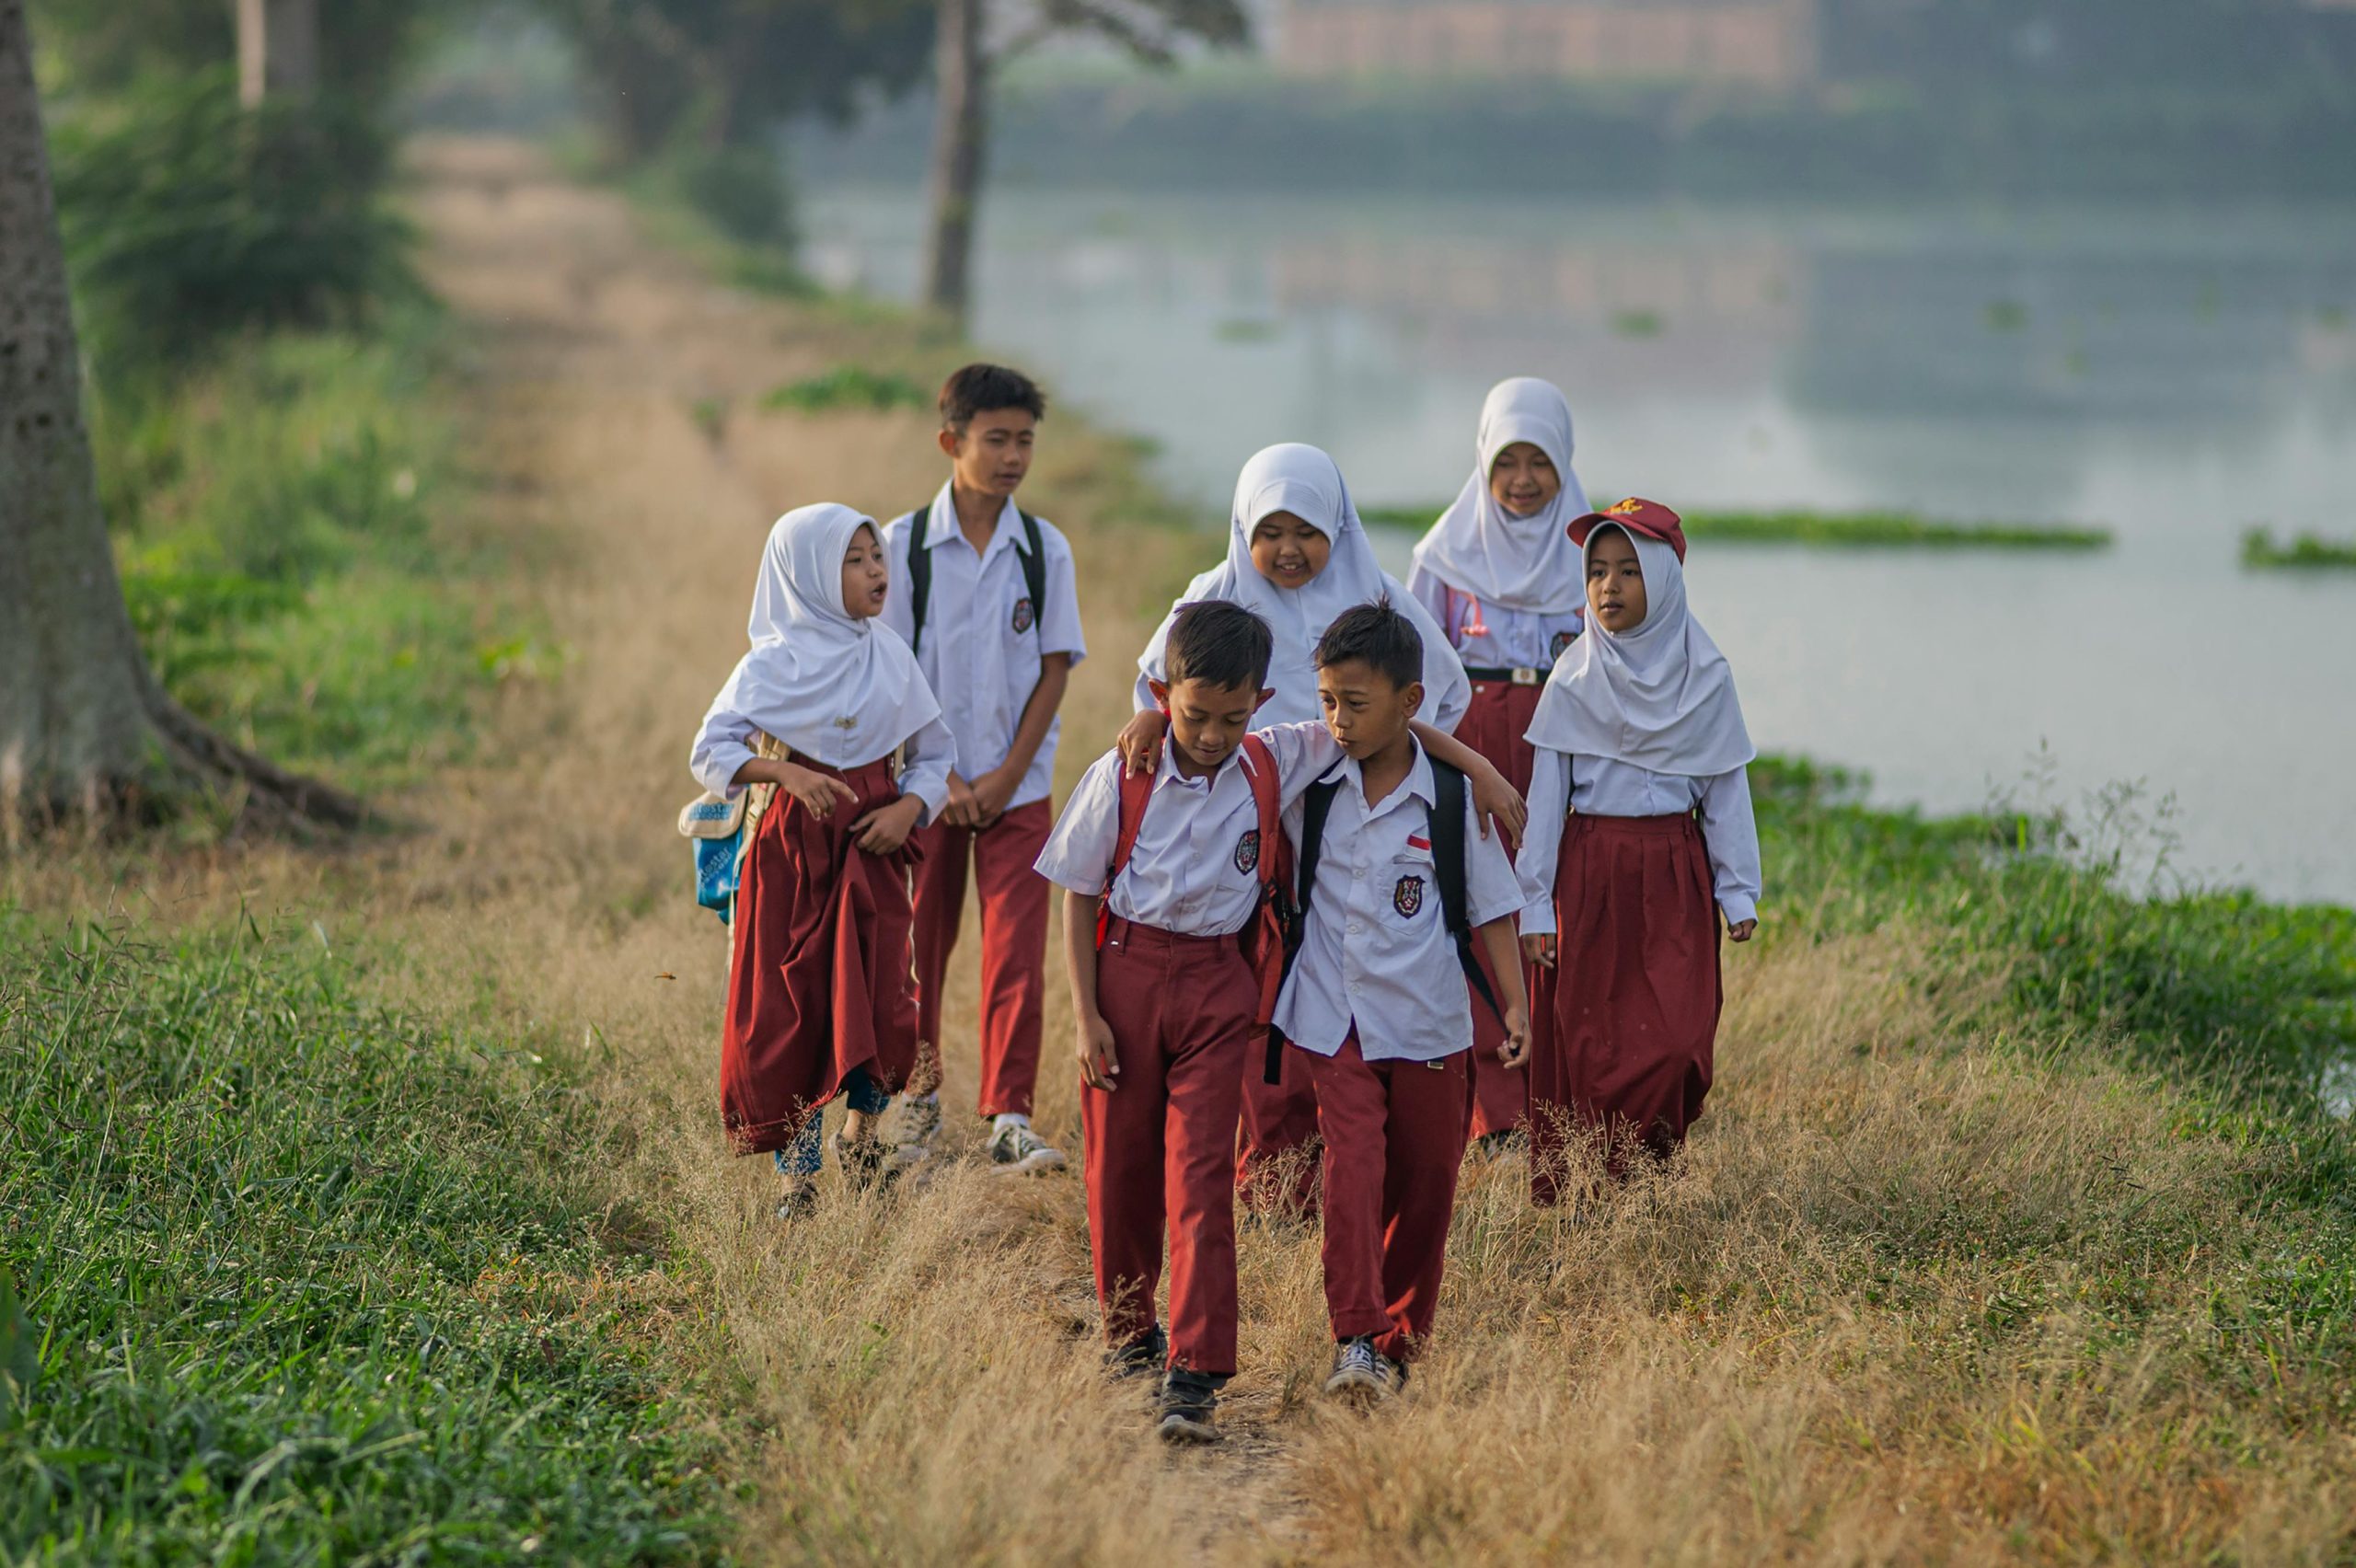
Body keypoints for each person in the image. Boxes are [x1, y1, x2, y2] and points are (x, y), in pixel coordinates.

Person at [1043, 600, 1523, 1442]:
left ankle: (1194, 1374)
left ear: (1262, 704)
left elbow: (1394, 731)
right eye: (1193, 715)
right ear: (1165, 695)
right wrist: (1085, 1017)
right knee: (1119, 1169)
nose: (1213, 735)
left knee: (1199, 1175)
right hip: (1121, 977)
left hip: (1218, 987)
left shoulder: (1281, 757)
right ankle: (1128, 1331)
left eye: (1233, 717)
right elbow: (1077, 890)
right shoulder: (1125, 771)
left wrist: (1477, 766)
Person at [1119, 443, 1473, 1215]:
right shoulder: (1211, 596)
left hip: (1347, 837)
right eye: (1269, 529)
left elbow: (1440, 689)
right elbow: (1157, 689)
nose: (1288, 549)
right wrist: (1151, 718)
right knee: (1257, 990)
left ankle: (1344, 1163)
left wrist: (1395, 767)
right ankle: (1273, 1175)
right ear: (1241, 525)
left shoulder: (1376, 599)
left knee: (1342, 984)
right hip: (1237, 839)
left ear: (1339, 529)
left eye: (1308, 530)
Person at [1273, 603, 1533, 1401]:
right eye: (1327, 701)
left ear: (1410, 703)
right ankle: (1355, 1336)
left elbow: (1490, 908)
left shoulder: (1453, 799)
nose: (1338, 720)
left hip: (1429, 1023)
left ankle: (1400, 1339)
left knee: (1428, 1182)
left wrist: (1516, 1010)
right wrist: (1149, 720)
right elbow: (1218, 748)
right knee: (1352, 1170)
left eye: (1356, 703)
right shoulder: (1309, 778)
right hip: (1334, 1016)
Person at [689, 504, 954, 1217]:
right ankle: (796, 1180)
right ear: (806, 575)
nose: (877, 570)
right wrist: (785, 776)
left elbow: (935, 758)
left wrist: (905, 811)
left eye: (877, 556)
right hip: (790, 856)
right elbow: (709, 752)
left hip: (873, 848)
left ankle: (861, 1138)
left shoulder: (889, 655)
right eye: (855, 559)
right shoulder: (770, 664)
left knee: (882, 996)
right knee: (791, 1006)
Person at [1516, 500, 1761, 1203]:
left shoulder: (1707, 677)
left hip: (1674, 872)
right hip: (1592, 870)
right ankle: (1604, 1189)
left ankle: (1649, 1166)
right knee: (1591, 1040)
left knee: (1678, 1043)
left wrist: (1736, 888)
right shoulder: (1572, 678)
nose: (1609, 587)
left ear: (1665, 580)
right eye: (1596, 571)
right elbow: (1545, 803)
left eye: (1628, 570)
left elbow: (1724, 791)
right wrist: (1534, 903)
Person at [880, 364, 1087, 1175]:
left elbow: (1055, 669)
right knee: (917, 951)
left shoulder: (1043, 550)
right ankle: (918, 1104)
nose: (1012, 457)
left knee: (1016, 954)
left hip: (1020, 789)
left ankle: (1008, 1116)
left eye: (1024, 440)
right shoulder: (903, 548)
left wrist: (1002, 777)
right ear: (950, 442)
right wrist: (948, 781)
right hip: (927, 791)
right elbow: (893, 672)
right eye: (994, 439)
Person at [1408, 376, 1593, 1154]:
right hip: (1470, 742)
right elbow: (1413, 672)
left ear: (1565, 464)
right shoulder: (1443, 556)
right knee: (1479, 904)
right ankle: (1497, 1105)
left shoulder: (1595, 554)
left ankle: (1562, 1086)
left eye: (1540, 461)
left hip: (1561, 740)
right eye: (1507, 460)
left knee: (1552, 898)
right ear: (1483, 462)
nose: (1523, 479)